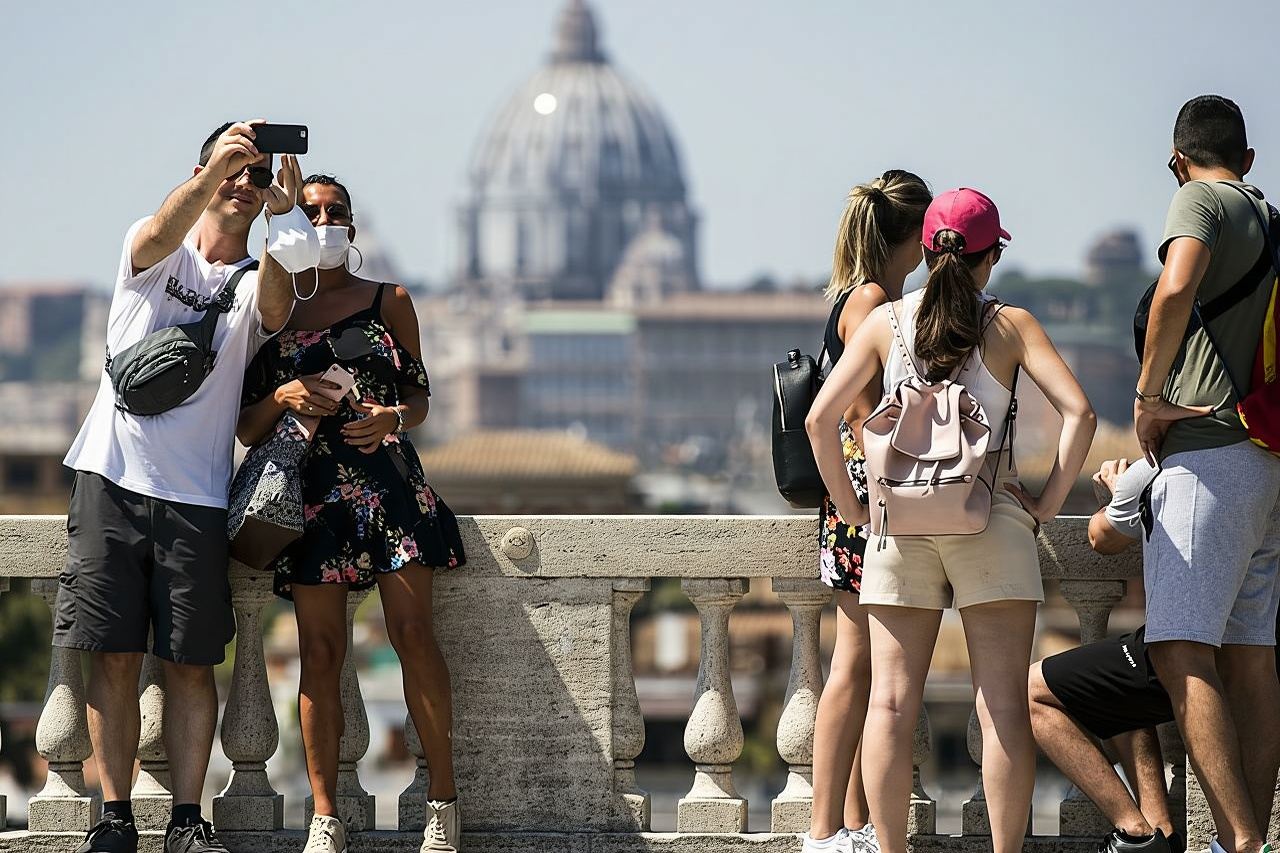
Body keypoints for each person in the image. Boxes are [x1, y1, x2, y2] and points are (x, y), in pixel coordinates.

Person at [808, 188, 1096, 853]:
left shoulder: (885, 322)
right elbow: (1080, 413)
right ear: (991, 256)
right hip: (990, 517)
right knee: (1001, 707)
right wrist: (1047, 502)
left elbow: (821, 420)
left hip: (899, 524)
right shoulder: (1010, 323)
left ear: (927, 250)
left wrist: (853, 509)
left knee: (888, 702)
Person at [54, 121, 306, 853]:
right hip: (110, 477)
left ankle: (187, 821)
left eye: (254, 174)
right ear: (201, 174)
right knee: (111, 654)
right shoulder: (152, 247)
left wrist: (282, 219)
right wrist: (216, 169)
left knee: (192, 664)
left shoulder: (255, 279)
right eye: (232, 168)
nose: (242, 182)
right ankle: (115, 817)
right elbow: (165, 228)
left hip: (197, 495)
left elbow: (279, 309)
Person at [237, 174, 467, 853]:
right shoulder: (268, 310)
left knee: (413, 634)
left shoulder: (389, 299)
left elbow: (420, 397)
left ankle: (443, 804)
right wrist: (284, 395)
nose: (324, 220)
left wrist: (393, 416)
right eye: (309, 212)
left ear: (353, 226)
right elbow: (246, 425)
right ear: (288, 226)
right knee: (319, 652)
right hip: (311, 497)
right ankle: (325, 816)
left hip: (389, 488)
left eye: (334, 211)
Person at [1133, 94, 1280, 853]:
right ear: (1248, 158)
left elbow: (1176, 285)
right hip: (1263, 459)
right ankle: (1250, 838)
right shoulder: (1270, 217)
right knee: (1252, 661)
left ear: (1177, 160)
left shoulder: (1199, 200)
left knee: (1180, 650)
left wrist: (1148, 395)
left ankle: (1240, 841)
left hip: (1207, 455)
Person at [805, 170, 932, 853]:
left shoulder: (857, 296)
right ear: (909, 237)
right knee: (854, 666)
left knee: (865, 669)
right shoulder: (874, 300)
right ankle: (824, 828)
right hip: (864, 497)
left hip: (853, 497)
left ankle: (849, 822)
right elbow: (861, 414)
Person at [1030, 457, 1183, 853]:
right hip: (1238, 644)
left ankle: (1134, 833)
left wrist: (1122, 493)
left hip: (1179, 643)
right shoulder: (1254, 460)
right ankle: (1160, 835)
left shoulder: (1160, 465)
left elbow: (1102, 537)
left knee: (1028, 693)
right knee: (1112, 688)